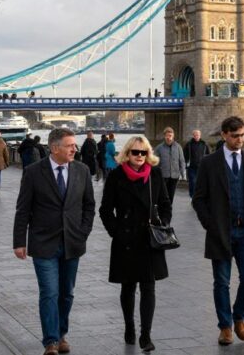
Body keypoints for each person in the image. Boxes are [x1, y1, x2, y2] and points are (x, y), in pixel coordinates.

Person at [13, 128, 95, 355]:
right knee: (49, 292)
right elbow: (23, 210)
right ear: (54, 147)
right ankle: (50, 341)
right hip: (43, 243)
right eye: (69, 145)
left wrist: (83, 231)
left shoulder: (82, 170)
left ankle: (61, 334)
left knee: (66, 293)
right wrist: (19, 242)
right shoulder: (33, 172)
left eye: (74, 145)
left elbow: (89, 206)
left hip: (72, 242)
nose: (74, 149)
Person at [192, 116, 244, 346]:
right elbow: (199, 199)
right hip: (221, 233)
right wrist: (210, 224)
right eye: (235, 136)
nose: (240, 140)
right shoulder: (209, 163)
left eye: (243, 135)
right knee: (222, 282)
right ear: (224, 135)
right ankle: (225, 326)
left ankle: (240, 317)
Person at [99, 135, 172, 351]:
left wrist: (162, 223)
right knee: (128, 287)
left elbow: (166, 204)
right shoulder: (116, 176)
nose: (140, 156)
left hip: (149, 239)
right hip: (126, 240)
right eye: (135, 152)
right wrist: (116, 232)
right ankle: (129, 326)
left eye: (144, 152)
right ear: (127, 153)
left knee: (149, 288)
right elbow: (105, 209)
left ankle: (145, 335)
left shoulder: (155, 174)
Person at [153, 127, 186, 204]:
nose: (169, 137)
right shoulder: (159, 148)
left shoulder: (178, 147)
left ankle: (168, 208)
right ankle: (162, 208)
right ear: (164, 136)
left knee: (171, 194)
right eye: (167, 136)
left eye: (170, 135)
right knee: (163, 194)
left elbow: (182, 161)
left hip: (175, 175)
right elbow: (154, 161)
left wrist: (183, 174)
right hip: (163, 175)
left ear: (173, 136)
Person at [183, 129, 210, 198]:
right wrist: (185, 163)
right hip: (191, 166)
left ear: (200, 135)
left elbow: (208, 155)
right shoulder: (189, 144)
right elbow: (184, 154)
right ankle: (192, 195)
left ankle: (199, 195)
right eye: (195, 135)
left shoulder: (204, 144)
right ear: (193, 136)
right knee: (192, 181)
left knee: (201, 182)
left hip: (201, 167)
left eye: (197, 135)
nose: (196, 136)